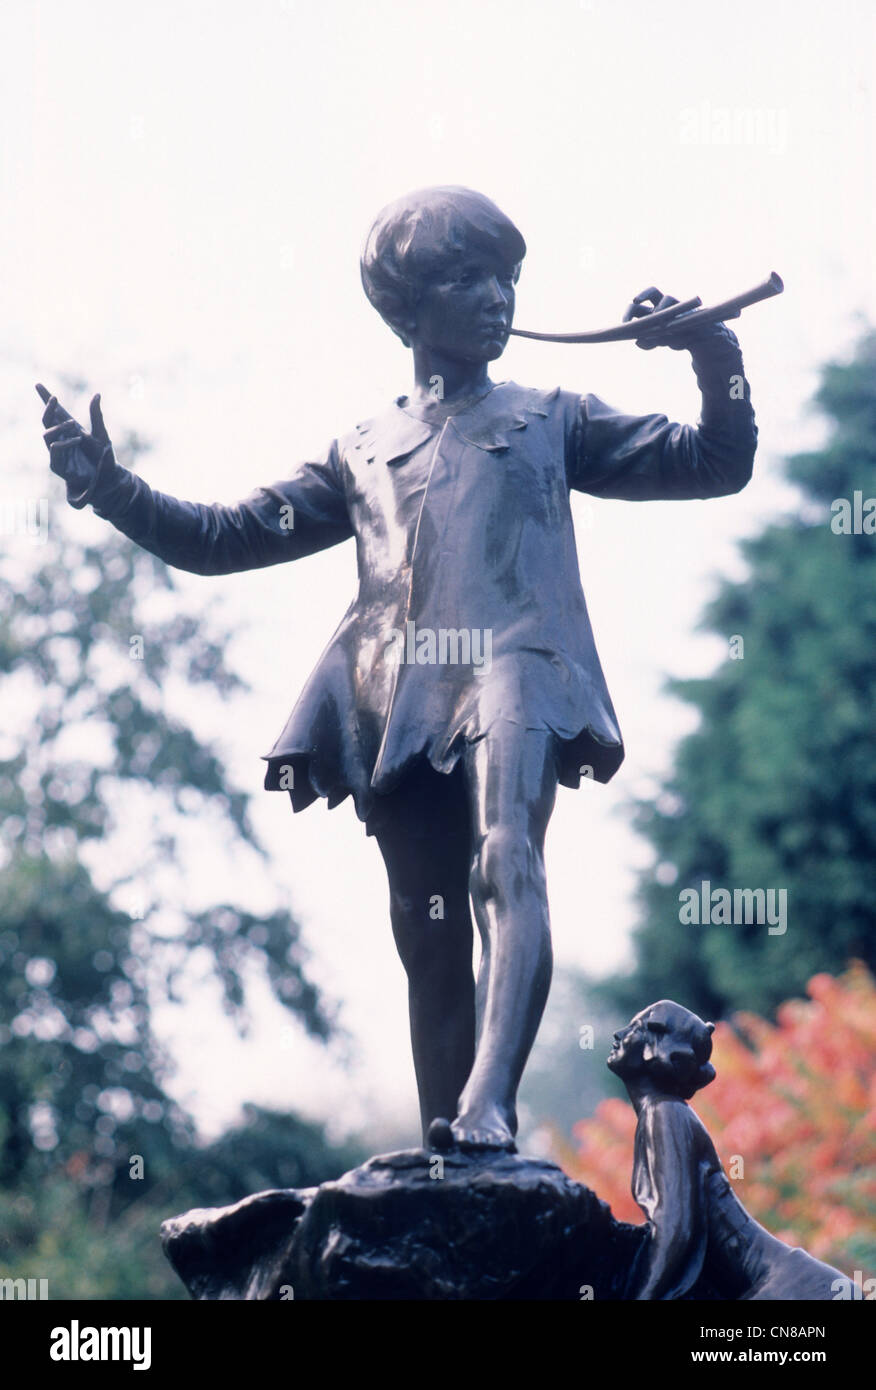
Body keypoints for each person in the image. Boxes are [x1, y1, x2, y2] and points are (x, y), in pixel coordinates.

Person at [37, 186, 758, 1151]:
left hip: (520, 666)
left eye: (507, 276)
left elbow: (718, 459)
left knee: (506, 853)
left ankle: (490, 1107)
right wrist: (111, 489)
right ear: (406, 308)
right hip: (399, 692)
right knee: (425, 934)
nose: (498, 296)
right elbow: (222, 537)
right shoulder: (362, 450)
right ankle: (443, 1142)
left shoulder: (553, 415)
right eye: (469, 278)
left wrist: (719, 358)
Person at [608, 1000, 848, 1299]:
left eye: (634, 1029)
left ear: (656, 1048)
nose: (618, 1035)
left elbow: (676, 1230)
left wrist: (640, 1296)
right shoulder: (663, 1114)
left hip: (791, 1288)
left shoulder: (665, 1114)